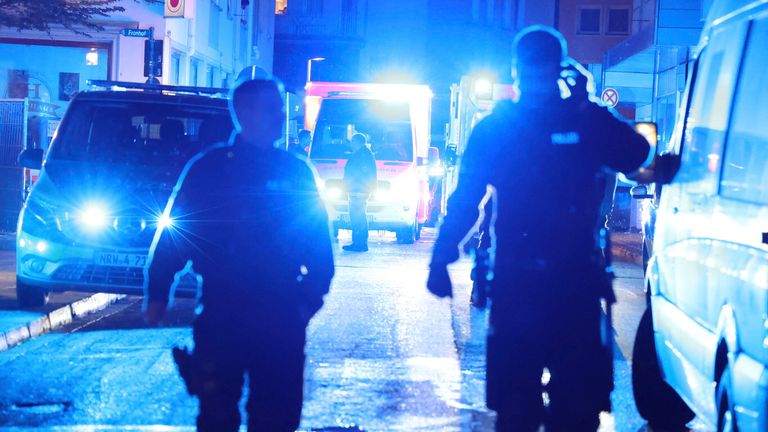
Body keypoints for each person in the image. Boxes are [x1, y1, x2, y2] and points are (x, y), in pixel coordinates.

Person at [427, 26, 655, 431]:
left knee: (516, 410)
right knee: (578, 412)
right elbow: (638, 152)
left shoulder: (497, 127)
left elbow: (466, 200)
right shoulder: (585, 121)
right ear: (560, 67)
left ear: (515, 70)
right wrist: (586, 103)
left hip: (519, 283)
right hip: (575, 284)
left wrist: (441, 257)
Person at [144, 76, 335, 432]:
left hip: (280, 311)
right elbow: (178, 235)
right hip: (223, 310)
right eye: (273, 108)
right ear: (244, 112)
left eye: (281, 108)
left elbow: (318, 245)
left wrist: (311, 298)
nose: (282, 115)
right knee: (217, 414)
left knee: (277, 418)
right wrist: (157, 292)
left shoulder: (296, 172)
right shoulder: (210, 169)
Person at [342, 132, 377, 252]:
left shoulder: (362, 155)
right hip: (357, 190)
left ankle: (360, 243)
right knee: (357, 217)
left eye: (352, 142)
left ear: (357, 142)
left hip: (358, 191)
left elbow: (360, 173)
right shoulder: (363, 154)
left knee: (358, 217)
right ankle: (358, 242)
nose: (351, 144)